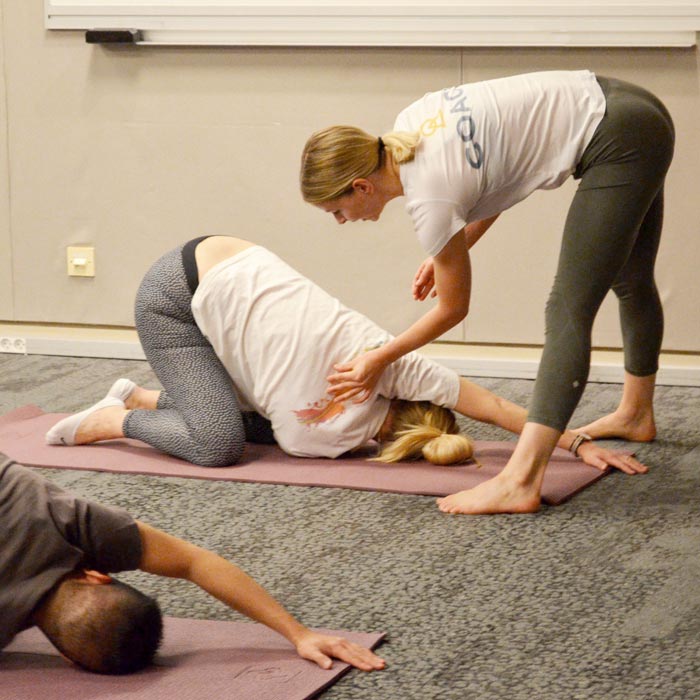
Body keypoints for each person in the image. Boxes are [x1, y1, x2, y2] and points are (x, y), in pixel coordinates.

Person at [299, 70, 674, 513]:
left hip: (617, 138)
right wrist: (454, 247)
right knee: (630, 278)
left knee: (567, 308)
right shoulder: (413, 123)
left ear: (361, 187)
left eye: (337, 210)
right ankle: (635, 414)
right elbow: (498, 178)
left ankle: (521, 479)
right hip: (632, 106)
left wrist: (377, 358)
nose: (342, 221)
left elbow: (454, 309)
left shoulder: (429, 200)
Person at [46, 236, 646, 485]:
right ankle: (111, 419)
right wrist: (568, 446)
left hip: (226, 256)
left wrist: (571, 441)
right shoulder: (326, 443)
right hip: (177, 304)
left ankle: (144, 397)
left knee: (255, 424)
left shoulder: (398, 368)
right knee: (221, 445)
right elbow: (487, 407)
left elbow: (485, 405)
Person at [0, 452, 386, 675]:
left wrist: (301, 633)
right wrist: (297, 634)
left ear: (98, 577)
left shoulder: (62, 517)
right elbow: (193, 563)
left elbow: (195, 562)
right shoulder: (70, 522)